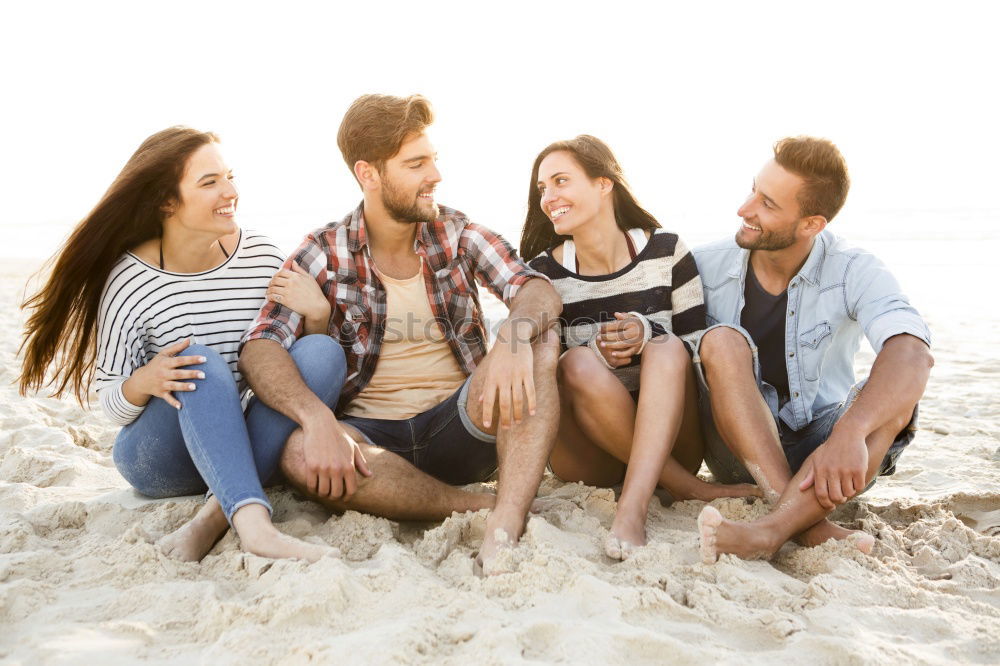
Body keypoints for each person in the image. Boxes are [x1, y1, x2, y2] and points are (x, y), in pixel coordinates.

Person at [238, 94, 563, 575]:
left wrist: (514, 335)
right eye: (416, 164)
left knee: (540, 340)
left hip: (462, 423)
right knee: (300, 451)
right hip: (371, 443)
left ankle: (506, 519)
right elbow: (261, 346)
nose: (435, 174)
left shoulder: (454, 231)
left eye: (434, 160)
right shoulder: (323, 249)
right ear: (368, 173)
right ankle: (470, 505)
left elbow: (534, 289)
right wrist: (316, 418)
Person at [18, 127, 344, 563]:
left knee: (323, 353)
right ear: (167, 202)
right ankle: (256, 526)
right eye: (209, 182)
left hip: (248, 442)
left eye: (230, 176)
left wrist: (318, 317)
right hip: (163, 457)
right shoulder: (131, 280)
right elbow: (111, 402)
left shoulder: (263, 256)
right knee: (199, 363)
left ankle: (216, 519)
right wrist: (144, 381)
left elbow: (294, 366)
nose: (230, 191)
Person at [692, 137, 933, 562]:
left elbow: (913, 352)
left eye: (767, 203)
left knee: (898, 400)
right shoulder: (703, 265)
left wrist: (851, 431)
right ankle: (805, 526)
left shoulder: (853, 269)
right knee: (722, 342)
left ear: (811, 224)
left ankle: (770, 530)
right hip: (737, 453)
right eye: (753, 190)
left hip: (827, 457)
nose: (744, 208)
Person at [520, 135, 760, 560]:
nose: (548, 197)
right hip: (588, 460)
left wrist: (645, 332)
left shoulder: (665, 251)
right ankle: (686, 488)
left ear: (603, 183)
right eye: (542, 188)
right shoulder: (543, 273)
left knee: (667, 347)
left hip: (672, 443)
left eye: (560, 181)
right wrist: (595, 353)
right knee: (575, 362)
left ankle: (633, 507)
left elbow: (696, 349)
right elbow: (542, 370)